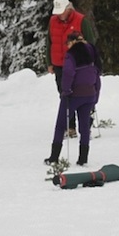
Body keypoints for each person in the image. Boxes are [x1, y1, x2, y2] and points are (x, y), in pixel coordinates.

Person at [44, 31, 101, 166]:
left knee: (61, 125)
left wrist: (66, 90)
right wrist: (95, 95)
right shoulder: (92, 50)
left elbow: (68, 73)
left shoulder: (71, 55)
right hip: (89, 94)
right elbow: (97, 73)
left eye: (67, 44)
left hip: (73, 95)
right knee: (84, 127)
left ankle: (54, 157)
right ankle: (83, 158)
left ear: (71, 42)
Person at [46, 0, 96, 137]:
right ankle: (71, 126)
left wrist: (91, 61)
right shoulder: (52, 21)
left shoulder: (81, 20)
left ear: (69, 8)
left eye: (61, 11)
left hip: (78, 65)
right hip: (59, 64)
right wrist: (49, 62)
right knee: (64, 94)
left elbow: (90, 42)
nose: (59, 15)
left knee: (81, 93)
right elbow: (49, 42)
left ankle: (86, 121)